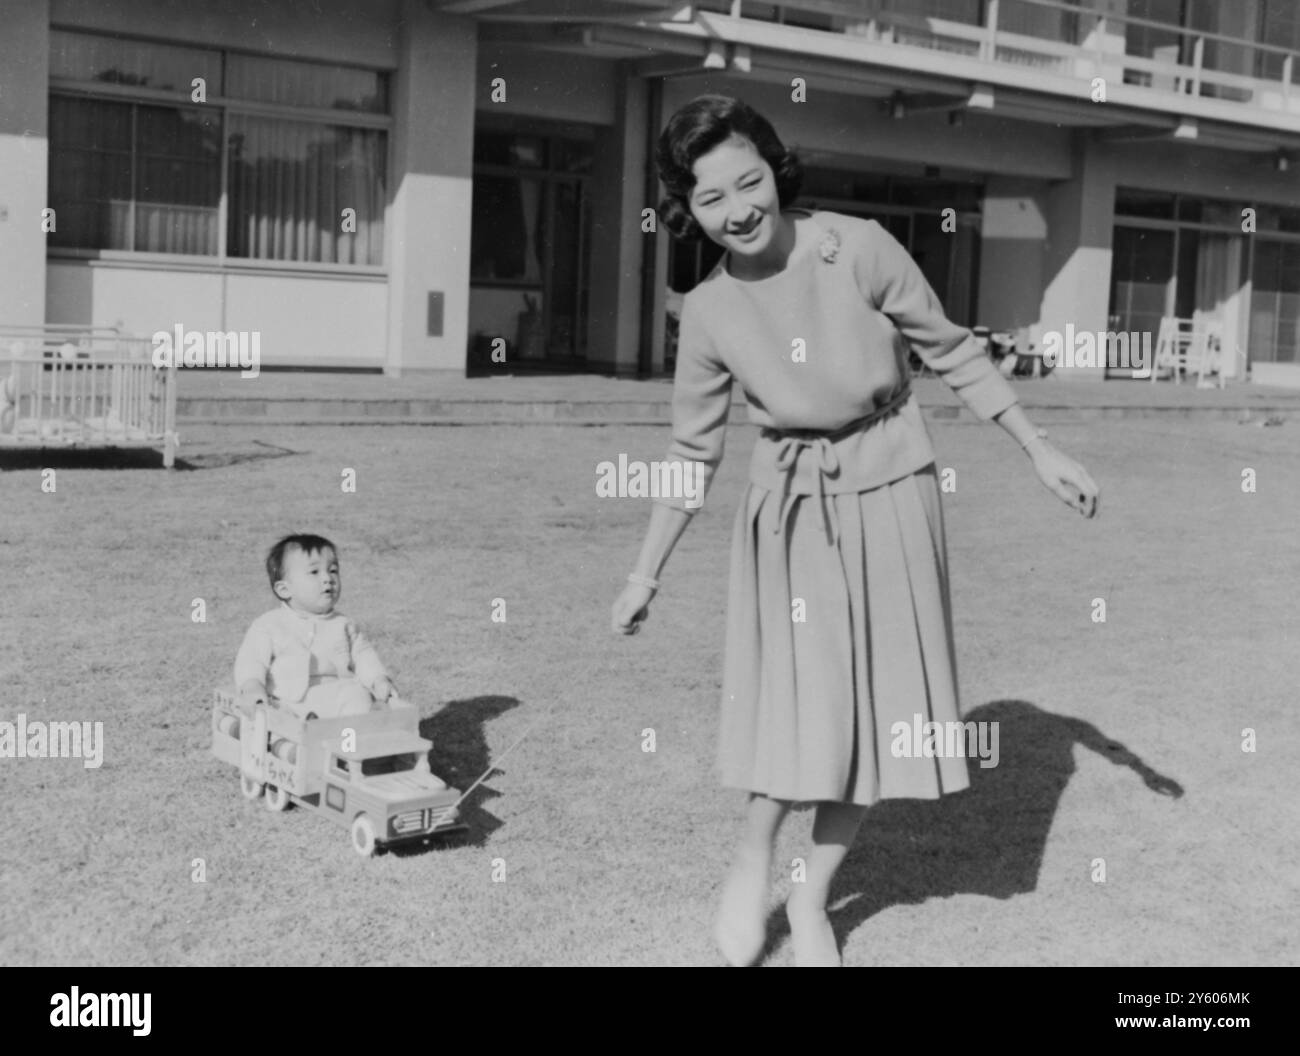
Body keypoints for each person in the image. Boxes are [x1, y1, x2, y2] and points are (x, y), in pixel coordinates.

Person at [610, 95, 1099, 967]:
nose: (739, 210)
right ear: (689, 207)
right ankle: (750, 862)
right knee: (803, 708)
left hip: (893, 484)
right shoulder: (711, 311)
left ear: (775, 171)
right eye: (713, 199)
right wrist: (644, 574)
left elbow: (950, 348)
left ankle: (810, 897)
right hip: (790, 508)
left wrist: (1038, 448)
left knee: (882, 712)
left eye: (750, 182)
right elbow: (691, 449)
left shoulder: (858, 246)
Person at [235, 533, 404, 720]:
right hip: (288, 700)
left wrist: (377, 678)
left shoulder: (344, 625)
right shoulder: (268, 625)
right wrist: (252, 684)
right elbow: (252, 659)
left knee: (357, 696)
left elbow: (363, 656)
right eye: (314, 572)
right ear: (284, 589)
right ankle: (310, 733)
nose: (327, 578)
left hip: (337, 696)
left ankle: (353, 742)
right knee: (275, 714)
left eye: (333, 570)